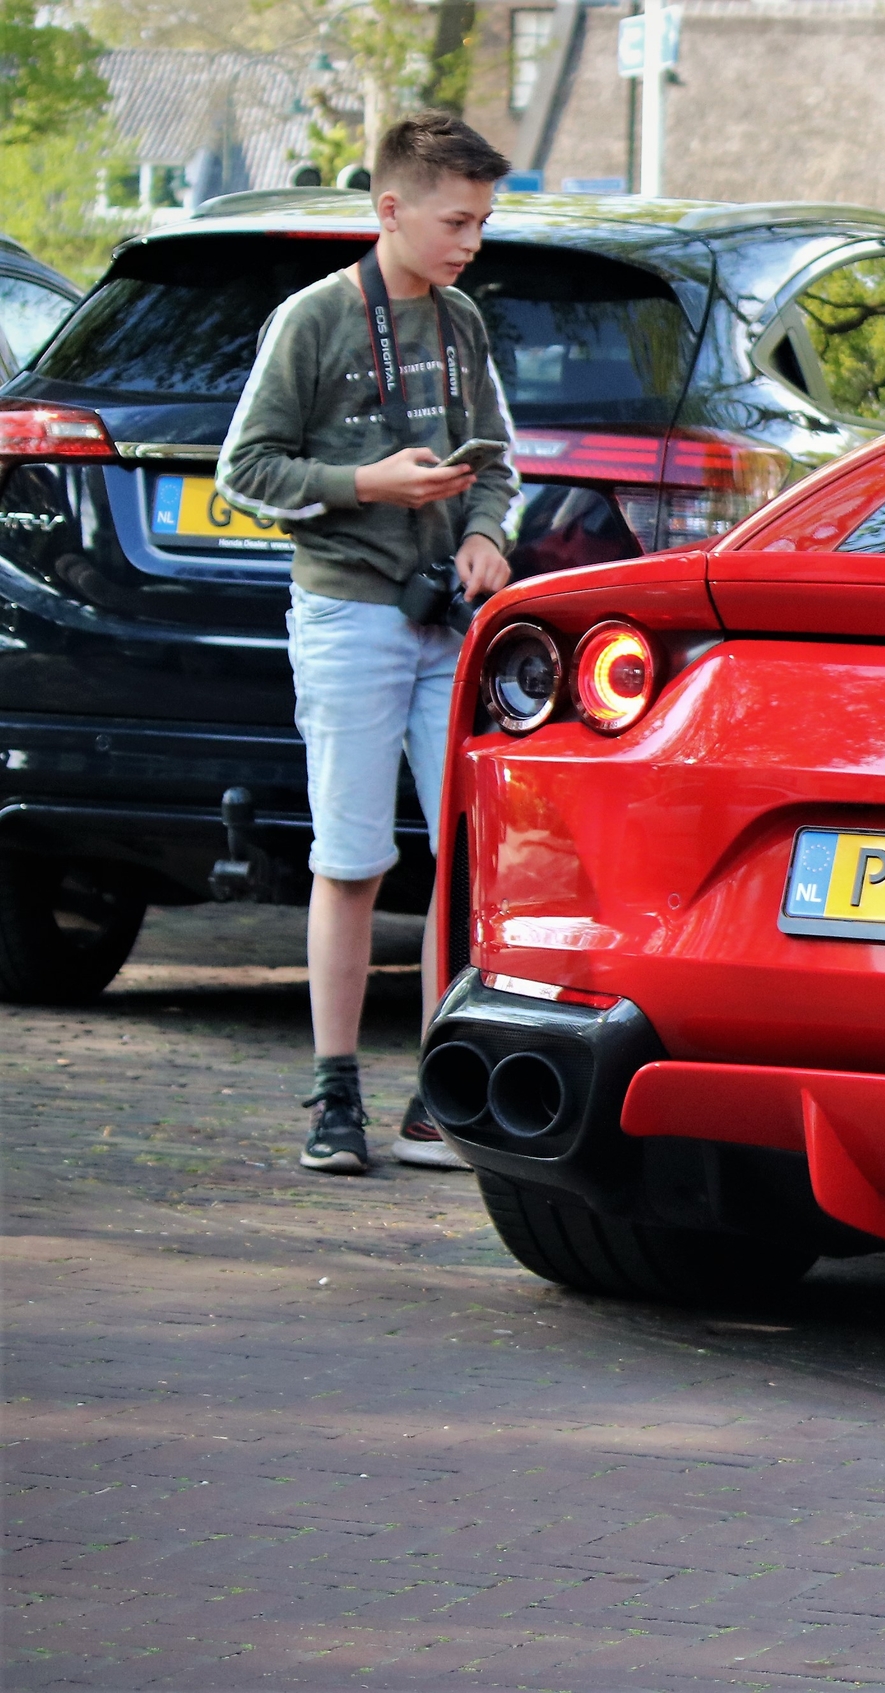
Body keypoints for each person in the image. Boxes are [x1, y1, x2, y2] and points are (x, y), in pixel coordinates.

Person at [217, 113, 519, 1174]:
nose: (470, 242)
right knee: (349, 857)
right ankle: (333, 1091)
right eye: (456, 221)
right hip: (347, 608)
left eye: (482, 223)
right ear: (389, 209)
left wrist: (485, 535)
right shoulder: (312, 322)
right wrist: (366, 485)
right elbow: (244, 472)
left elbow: (498, 467)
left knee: (468, 857)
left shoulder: (462, 322)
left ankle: (443, 1089)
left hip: (446, 615)